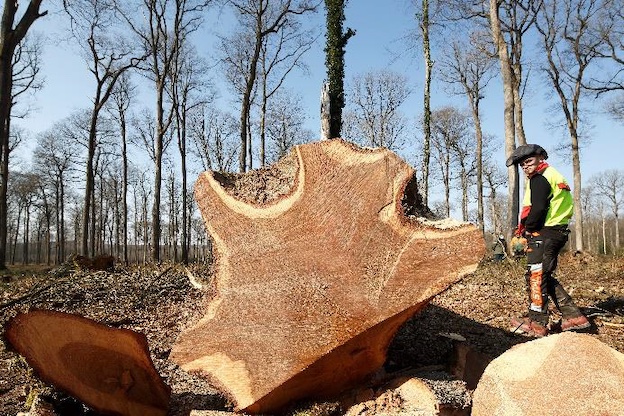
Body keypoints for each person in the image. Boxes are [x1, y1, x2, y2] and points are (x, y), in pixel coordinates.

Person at [506, 144, 590, 337]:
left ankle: (537, 323)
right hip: (556, 231)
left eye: (528, 161)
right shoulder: (553, 175)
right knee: (543, 275)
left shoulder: (540, 178)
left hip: (545, 232)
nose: (525, 167)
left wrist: (528, 230)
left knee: (535, 276)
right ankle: (573, 316)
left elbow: (538, 208)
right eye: (522, 164)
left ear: (539, 158)